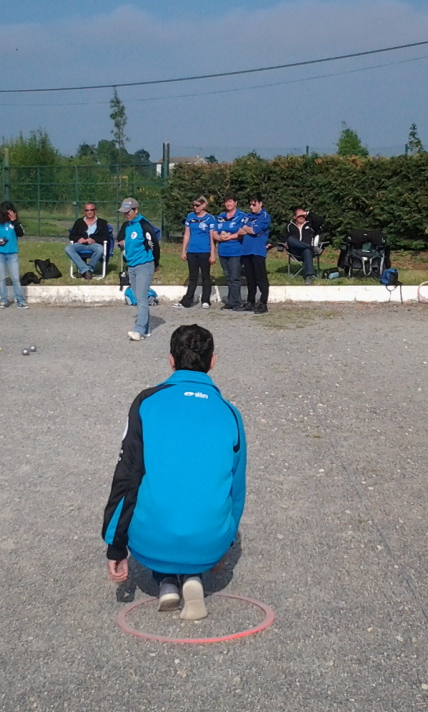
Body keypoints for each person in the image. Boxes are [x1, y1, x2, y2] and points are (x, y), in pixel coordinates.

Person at [102, 324, 247, 621]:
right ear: (213, 361)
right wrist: (225, 541)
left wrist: (115, 548)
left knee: (158, 493)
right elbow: (236, 488)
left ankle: (167, 581)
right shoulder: (230, 412)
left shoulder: (147, 402)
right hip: (209, 543)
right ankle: (193, 575)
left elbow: (127, 475)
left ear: (170, 360)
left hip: (150, 542)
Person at [117, 197, 159, 340]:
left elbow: (154, 244)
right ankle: (146, 328)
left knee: (141, 298)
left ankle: (139, 330)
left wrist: (156, 263)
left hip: (144, 265)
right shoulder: (127, 226)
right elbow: (121, 240)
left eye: (128, 212)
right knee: (137, 296)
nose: (126, 215)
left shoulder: (144, 225)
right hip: (132, 265)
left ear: (136, 210)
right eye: (124, 212)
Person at [174, 195, 217, 309]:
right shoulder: (190, 217)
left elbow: (212, 237)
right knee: (193, 276)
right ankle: (187, 300)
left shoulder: (210, 219)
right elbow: (187, 234)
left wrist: (213, 253)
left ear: (204, 205)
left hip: (205, 250)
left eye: (197, 205)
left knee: (205, 275)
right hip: (192, 251)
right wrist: (183, 250)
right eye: (193, 205)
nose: (195, 207)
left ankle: (206, 299)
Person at [0, 202, 27, 309]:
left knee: (15, 278)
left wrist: (15, 221)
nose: (8, 217)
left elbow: (21, 233)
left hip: (12, 253)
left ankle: (20, 300)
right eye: (6, 214)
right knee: (2, 278)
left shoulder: (15, 224)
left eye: (10, 214)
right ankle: (3, 299)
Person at [214, 196, 248, 311]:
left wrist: (230, 236)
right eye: (226, 202)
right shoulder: (220, 217)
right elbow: (214, 232)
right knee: (228, 277)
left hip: (236, 251)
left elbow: (243, 231)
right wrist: (219, 237)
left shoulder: (242, 216)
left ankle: (237, 303)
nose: (228, 204)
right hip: (223, 251)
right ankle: (230, 301)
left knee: (235, 277)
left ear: (235, 202)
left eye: (230, 201)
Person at [239, 193, 271, 314]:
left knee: (260, 278)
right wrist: (248, 229)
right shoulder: (247, 216)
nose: (251, 207)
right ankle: (250, 301)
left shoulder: (264, 216)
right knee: (250, 278)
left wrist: (247, 229)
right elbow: (240, 230)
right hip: (246, 250)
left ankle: (263, 303)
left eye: (254, 204)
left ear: (260, 204)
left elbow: (254, 230)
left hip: (258, 250)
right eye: (250, 204)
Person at [64, 202, 111, 280]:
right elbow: (72, 235)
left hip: (95, 244)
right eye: (87, 210)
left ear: (95, 211)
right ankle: (86, 270)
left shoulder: (102, 223)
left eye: (91, 210)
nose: (89, 212)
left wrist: (93, 240)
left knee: (100, 249)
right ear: (84, 211)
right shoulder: (79, 222)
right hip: (81, 245)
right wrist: (78, 239)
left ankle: (87, 269)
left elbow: (105, 237)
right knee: (68, 249)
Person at [285, 207, 323, 284]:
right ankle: (312, 248)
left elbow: (320, 221)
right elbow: (283, 238)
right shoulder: (289, 226)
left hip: (307, 252)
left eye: (303, 215)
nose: (301, 217)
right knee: (290, 239)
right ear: (294, 217)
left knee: (307, 250)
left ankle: (309, 277)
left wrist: (307, 213)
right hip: (294, 251)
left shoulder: (311, 225)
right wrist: (282, 244)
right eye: (299, 215)